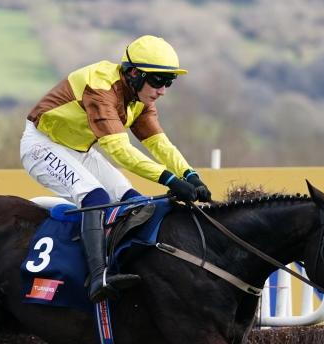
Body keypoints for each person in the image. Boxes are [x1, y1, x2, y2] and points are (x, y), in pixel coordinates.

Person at [21, 34, 211, 303]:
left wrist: (190, 175)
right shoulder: (100, 88)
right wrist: (169, 180)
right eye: (158, 80)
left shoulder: (140, 98)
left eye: (169, 82)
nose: (163, 90)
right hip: (41, 145)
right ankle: (97, 277)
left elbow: (159, 144)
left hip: (80, 150)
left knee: (136, 203)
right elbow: (120, 151)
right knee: (96, 199)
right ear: (134, 73)